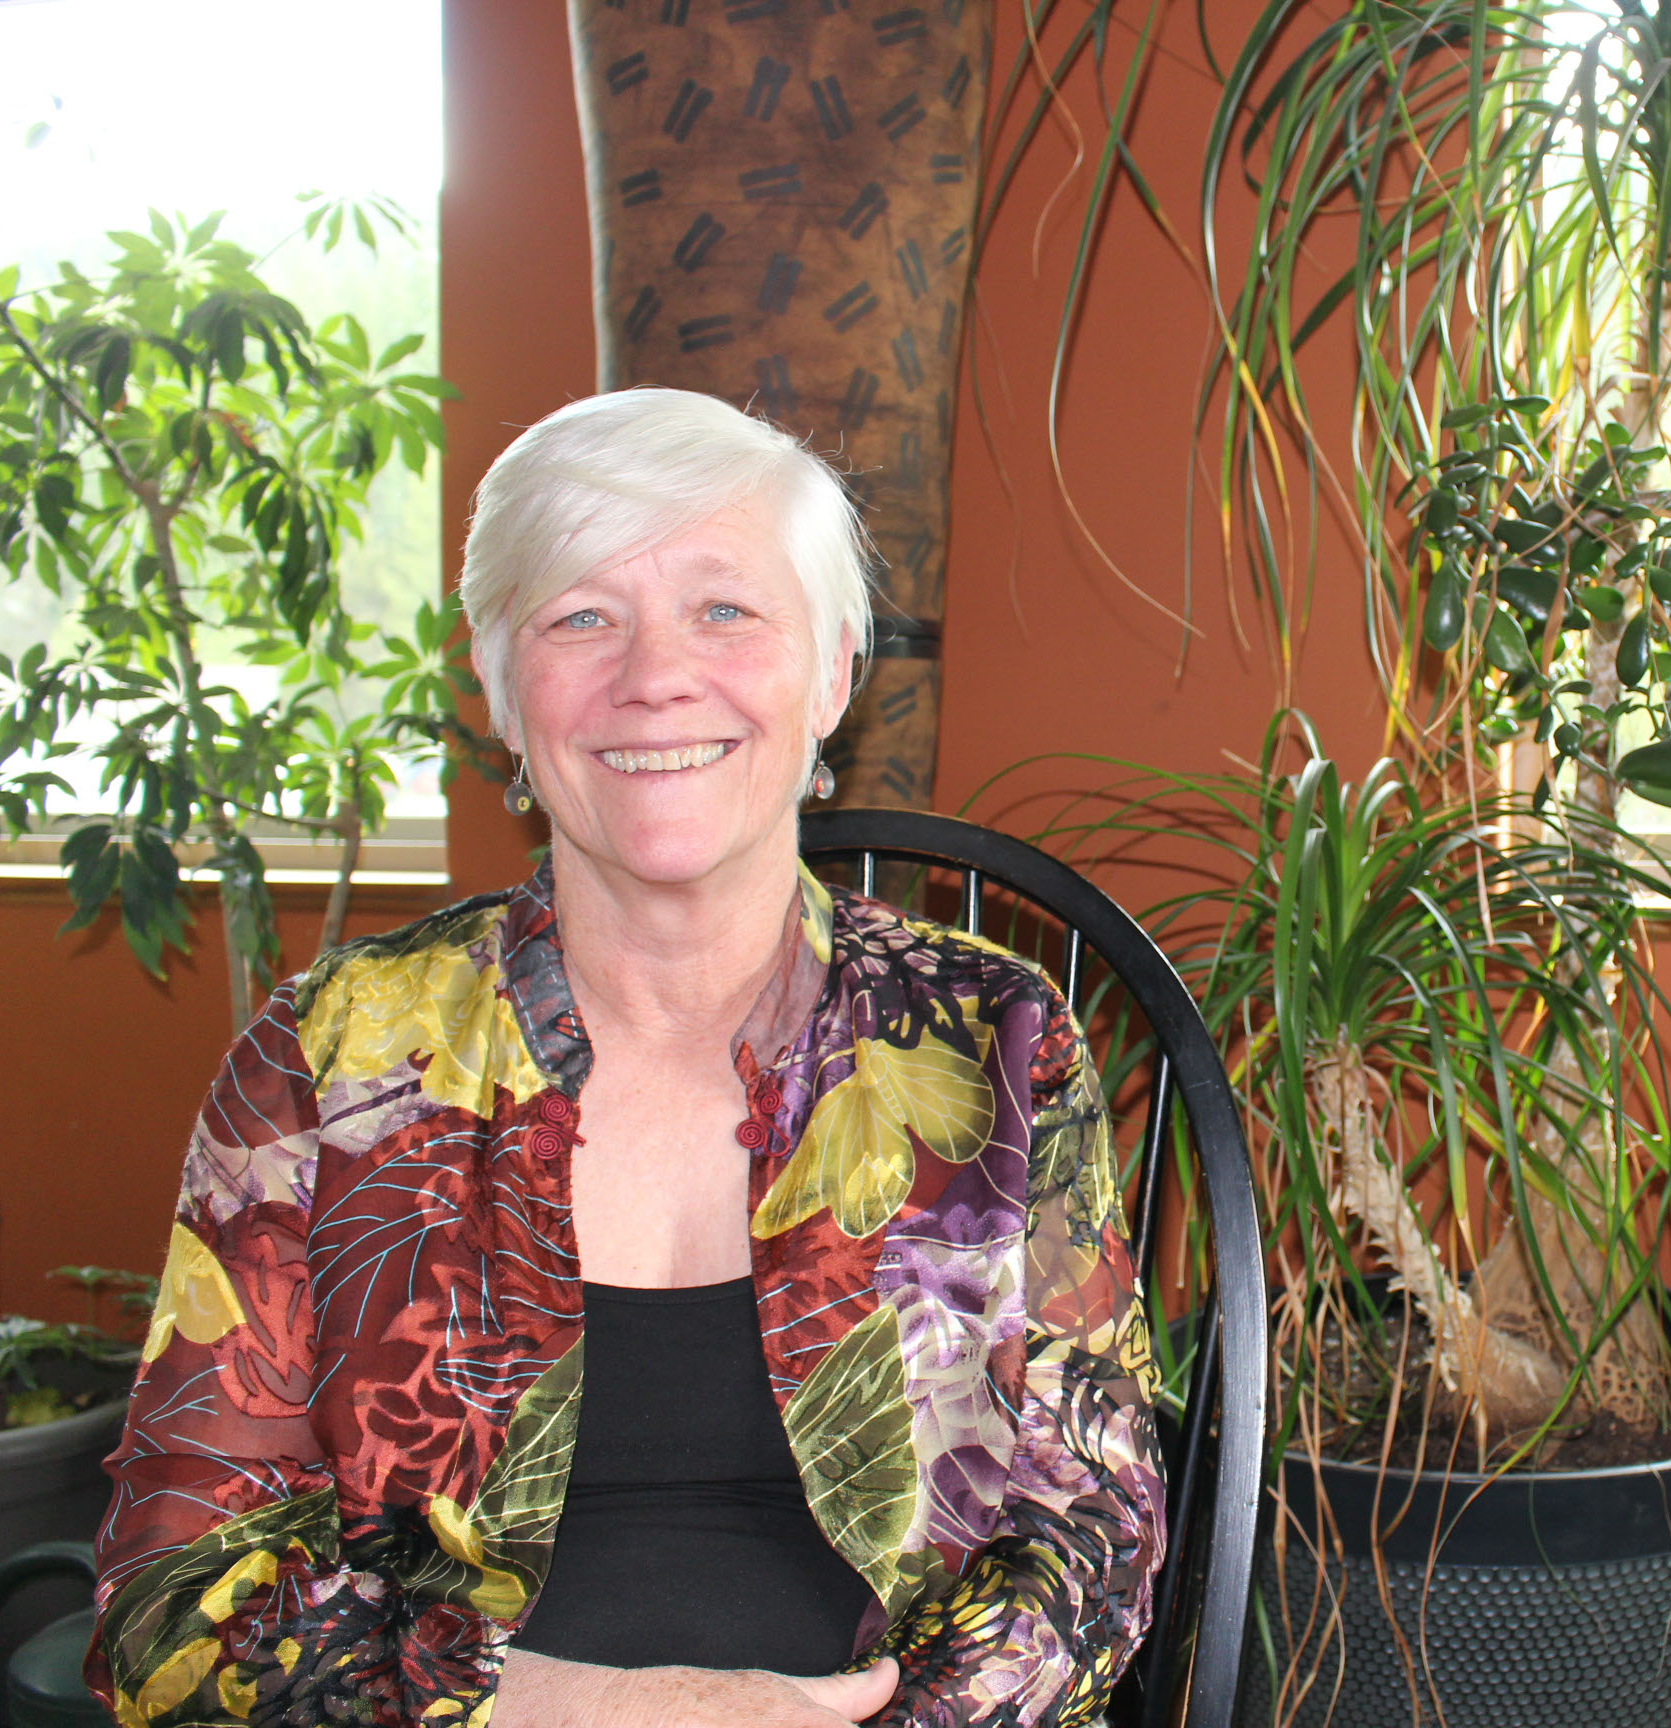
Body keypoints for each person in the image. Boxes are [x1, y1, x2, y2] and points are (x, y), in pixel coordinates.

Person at [85, 388, 1166, 1728]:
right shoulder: (331, 1059)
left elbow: (1091, 1547)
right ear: (496, 683)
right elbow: (174, 1590)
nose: (656, 673)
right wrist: (564, 1711)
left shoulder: (996, 1043)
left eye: (725, 608)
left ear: (833, 668)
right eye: (581, 615)